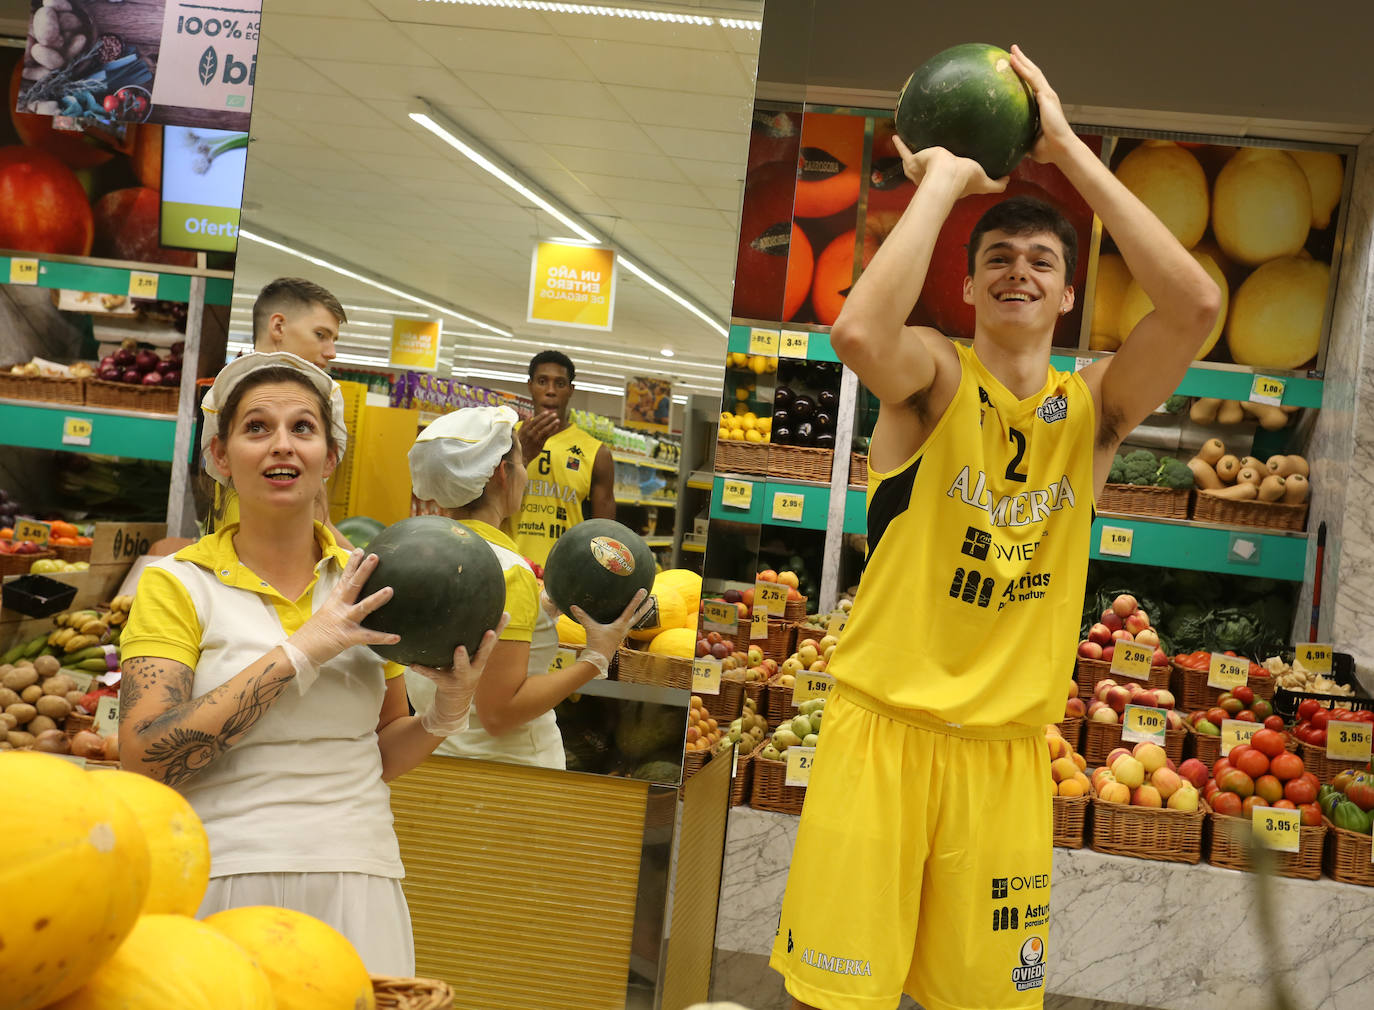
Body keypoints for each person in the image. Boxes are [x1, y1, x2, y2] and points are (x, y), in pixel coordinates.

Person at [769, 46, 1220, 1010]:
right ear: (969, 289)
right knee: (835, 1001)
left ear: (1067, 296)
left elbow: (1195, 306)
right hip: (879, 740)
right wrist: (942, 182)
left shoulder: (1093, 410)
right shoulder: (932, 378)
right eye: (997, 260)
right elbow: (855, 336)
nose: (1019, 270)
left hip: (1005, 762)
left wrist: (1063, 145)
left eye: (1042, 261)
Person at [117, 351, 504, 975]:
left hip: (357, 872)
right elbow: (146, 757)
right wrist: (302, 651)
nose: (282, 447)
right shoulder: (179, 585)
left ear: (331, 456)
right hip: (219, 874)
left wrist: (443, 715)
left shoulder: (377, 582)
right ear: (221, 456)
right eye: (256, 428)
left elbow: (378, 751)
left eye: (303, 428)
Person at [405, 405, 650, 767]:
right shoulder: (507, 571)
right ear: (503, 474)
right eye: (521, 464)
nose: (524, 473)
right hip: (512, 774)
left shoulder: (419, 551)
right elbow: (500, 714)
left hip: (436, 760)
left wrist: (537, 612)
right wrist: (595, 657)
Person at [203, 278, 350, 539]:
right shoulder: (226, 398)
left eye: (301, 427)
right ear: (278, 326)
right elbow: (317, 517)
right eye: (321, 335)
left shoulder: (221, 395)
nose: (332, 352)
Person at [513, 350, 616, 567]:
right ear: (530, 385)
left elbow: (605, 535)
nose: (550, 391)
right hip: (509, 565)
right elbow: (480, 501)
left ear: (571, 390)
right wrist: (520, 456)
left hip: (565, 574)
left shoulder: (597, 453)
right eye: (542, 381)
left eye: (560, 384)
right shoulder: (504, 438)